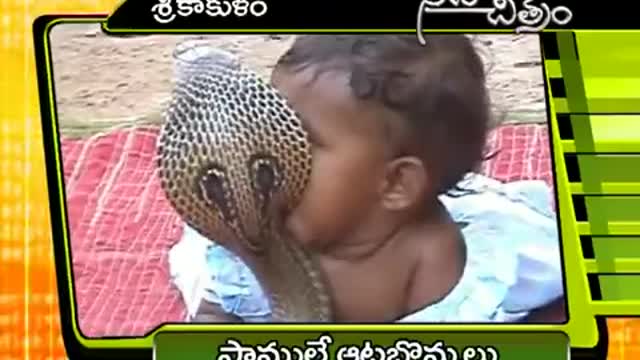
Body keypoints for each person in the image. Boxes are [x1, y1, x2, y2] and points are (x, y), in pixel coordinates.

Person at [168, 35, 566, 323]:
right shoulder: (259, 245)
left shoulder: (437, 265)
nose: (276, 154)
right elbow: (214, 318)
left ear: (395, 184)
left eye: (300, 141)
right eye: (275, 127)